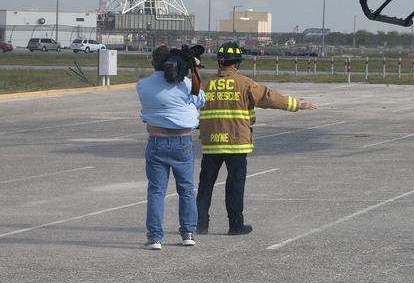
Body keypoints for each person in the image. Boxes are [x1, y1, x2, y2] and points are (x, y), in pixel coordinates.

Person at [196, 42, 317, 235]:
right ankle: (235, 225)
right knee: (234, 185)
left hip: (211, 143)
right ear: (236, 64)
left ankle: (199, 224)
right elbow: (270, 98)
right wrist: (298, 105)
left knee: (206, 184)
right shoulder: (245, 84)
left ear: (220, 62)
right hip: (236, 143)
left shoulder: (204, 84)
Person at [136, 45, 205, 250]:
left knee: (156, 191)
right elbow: (201, 101)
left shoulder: (142, 85)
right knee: (186, 190)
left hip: (156, 140)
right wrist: (195, 71)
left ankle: (155, 237)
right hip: (182, 141)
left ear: (153, 63)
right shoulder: (185, 84)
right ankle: (188, 233)